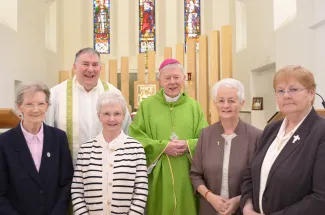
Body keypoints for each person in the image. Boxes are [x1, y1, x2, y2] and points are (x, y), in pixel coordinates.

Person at [241, 65, 325, 215]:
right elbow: (250, 173)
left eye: (293, 89)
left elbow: (321, 198)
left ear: (311, 93)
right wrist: (247, 207)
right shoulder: (271, 129)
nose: (286, 95)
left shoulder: (321, 132)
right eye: (280, 91)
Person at [129, 58, 209, 215]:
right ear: (160, 81)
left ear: (184, 79)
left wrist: (188, 145)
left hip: (187, 174)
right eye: (167, 78)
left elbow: (206, 138)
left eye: (176, 77)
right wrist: (163, 146)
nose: (172, 82)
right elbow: (135, 137)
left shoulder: (194, 106)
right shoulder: (147, 106)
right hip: (159, 175)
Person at [46, 47, 132, 164]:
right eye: (85, 64)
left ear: (100, 68)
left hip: (109, 167)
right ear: (75, 67)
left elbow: (126, 130)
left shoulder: (114, 94)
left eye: (95, 65)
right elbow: (47, 131)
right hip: (68, 167)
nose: (90, 69)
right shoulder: (56, 94)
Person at [190, 78, 262, 215]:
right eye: (221, 100)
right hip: (209, 209)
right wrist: (210, 197)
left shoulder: (257, 136)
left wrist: (238, 200)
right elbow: (195, 175)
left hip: (243, 209)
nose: (226, 105)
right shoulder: (206, 135)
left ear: (242, 103)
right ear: (215, 103)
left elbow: (260, 179)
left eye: (231, 101)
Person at [0, 83, 73, 215]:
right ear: (19, 107)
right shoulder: (4, 142)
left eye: (41, 104)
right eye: (29, 104)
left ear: (47, 106)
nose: (35, 109)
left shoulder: (59, 138)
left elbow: (66, 184)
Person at [71, 91, 148, 215]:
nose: (112, 119)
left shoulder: (136, 149)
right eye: (106, 114)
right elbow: (77, 190)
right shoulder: (86, 150)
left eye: (117, 114)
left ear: (124, 116)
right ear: (99, 116)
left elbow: (141, 190)